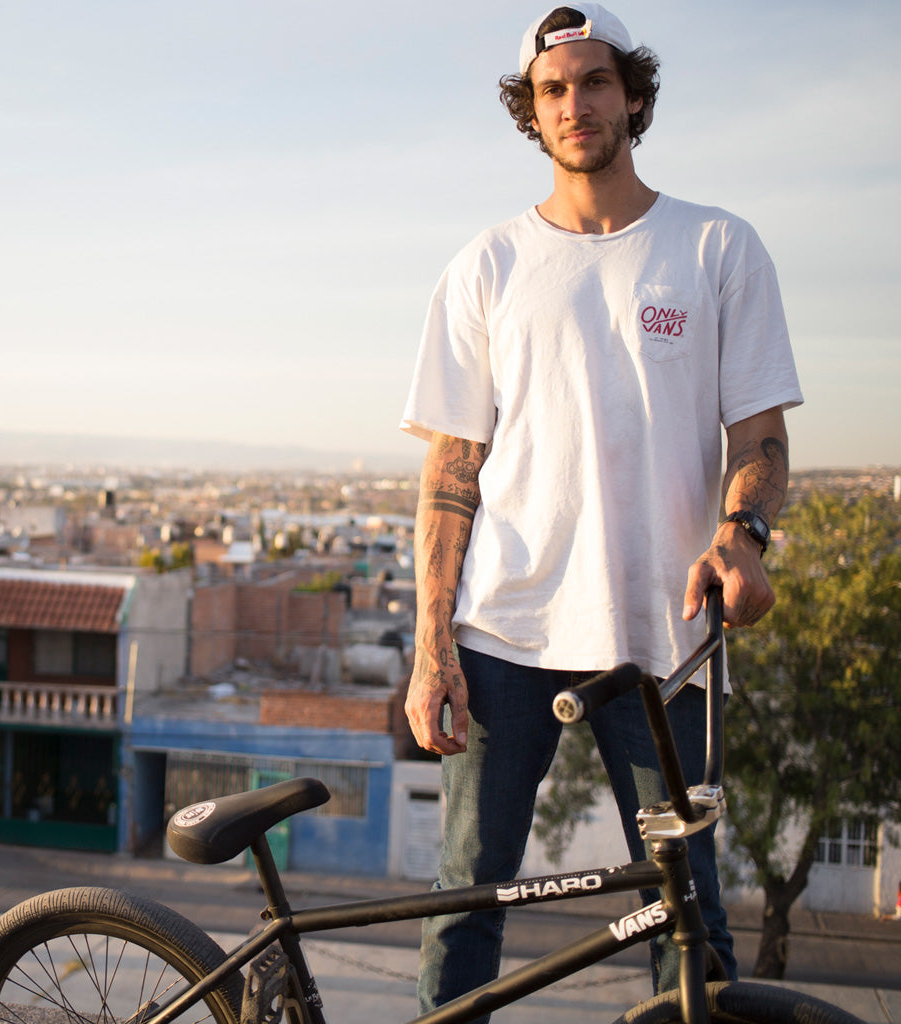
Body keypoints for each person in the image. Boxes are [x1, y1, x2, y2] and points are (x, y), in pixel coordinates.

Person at [400, 3, 803, 1014]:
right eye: (552, 89)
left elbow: (759, 439)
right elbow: (452, 469)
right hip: (501, 631)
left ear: (632, 95)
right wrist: (429, 644)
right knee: (463, 907)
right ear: (529, 113)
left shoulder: (717, 247)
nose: (574, 103)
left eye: (593, 81)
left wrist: (742, 535)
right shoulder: (486, 265)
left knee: (690, 919)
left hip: (661, 642)